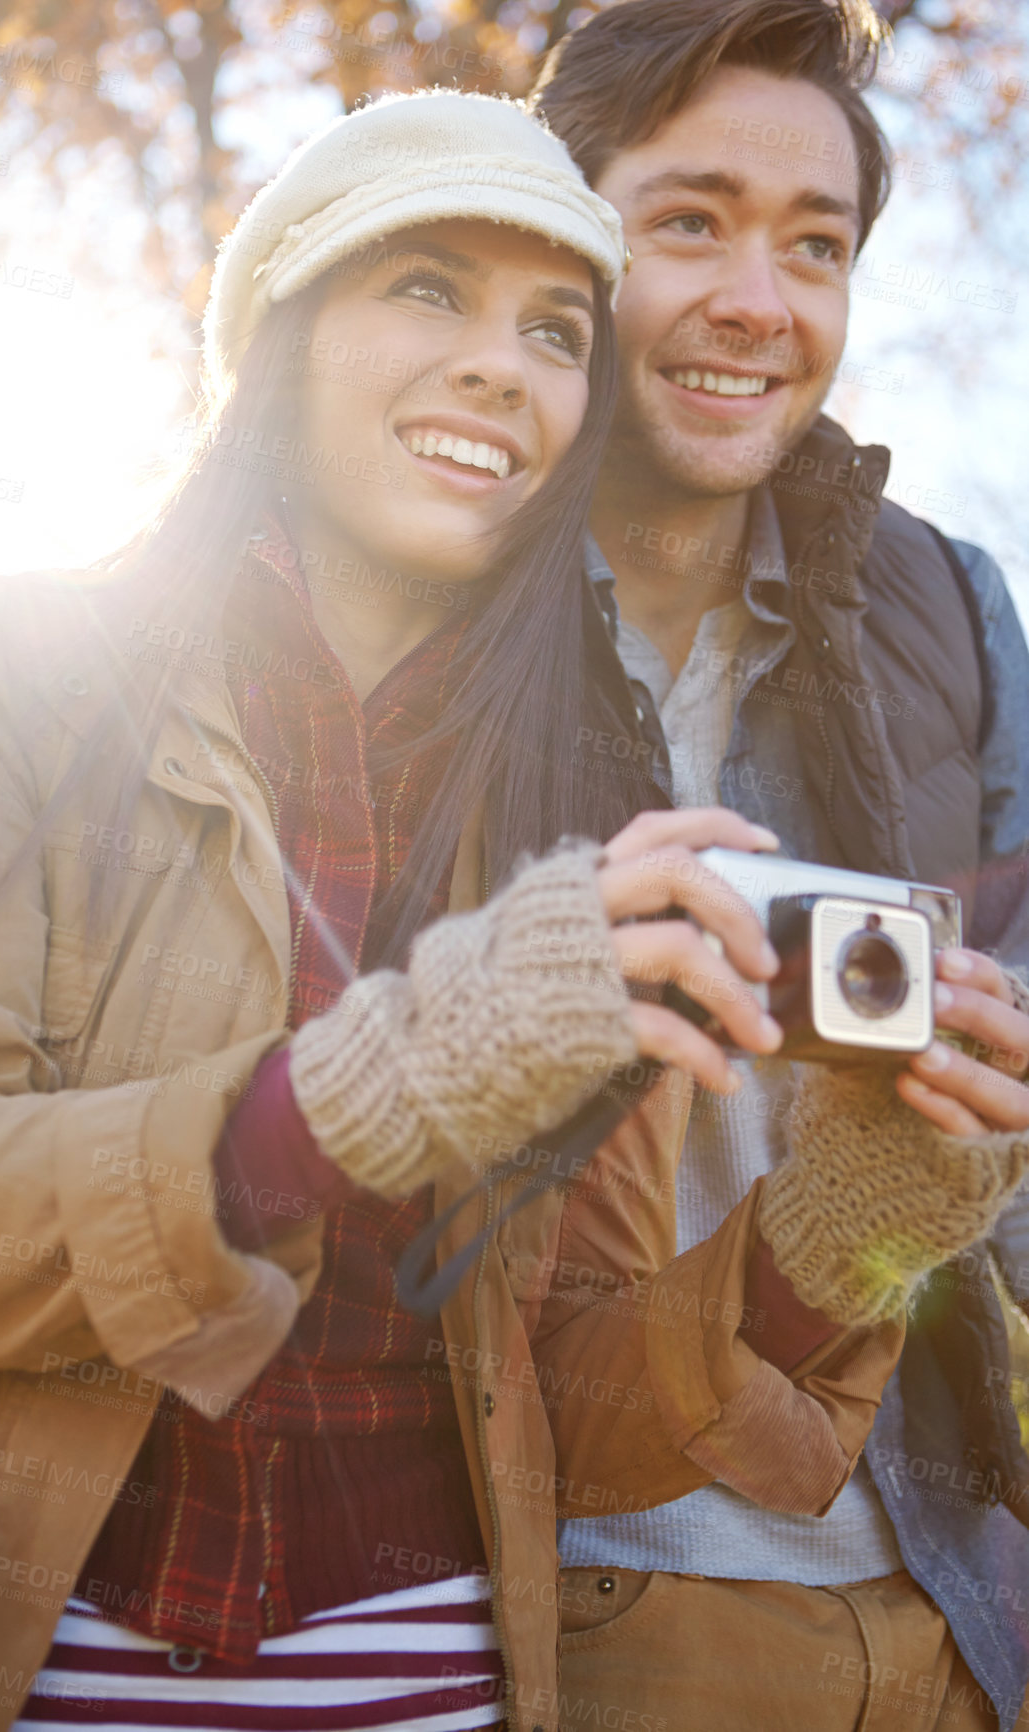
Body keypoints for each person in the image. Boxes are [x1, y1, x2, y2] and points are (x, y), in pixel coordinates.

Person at [0, 87, 931, 1732]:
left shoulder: (579, 822)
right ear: (280, 333)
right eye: (426, 287)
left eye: (557, 331)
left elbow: (562, 1399)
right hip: (21, 1670)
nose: (502, 366)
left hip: (434, 1685)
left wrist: (849, 1231)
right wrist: (358, 1091)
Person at [531, 4, 1029, 1729]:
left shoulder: (951, 610)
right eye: (689, 221)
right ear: (560, 232)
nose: (760, 300)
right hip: (587, 1595)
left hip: (957, 1599)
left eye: (813, 245)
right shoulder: (421, 599)